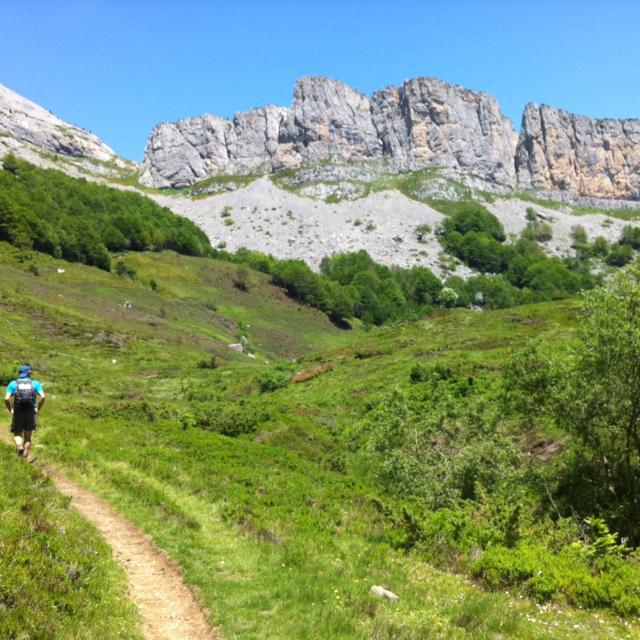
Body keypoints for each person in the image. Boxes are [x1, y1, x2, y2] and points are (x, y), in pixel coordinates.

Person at [5, 364, 45, 459]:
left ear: (19, 373)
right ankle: (25, 455)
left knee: (17, 433)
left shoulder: (13, 384)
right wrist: (37, 409)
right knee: (28, 436)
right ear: (29, 373)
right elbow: (43, 397)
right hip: (30, 412)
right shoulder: (35, 383)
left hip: (18, 412)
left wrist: (10, 409)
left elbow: (6, 398)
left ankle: (19, 447)